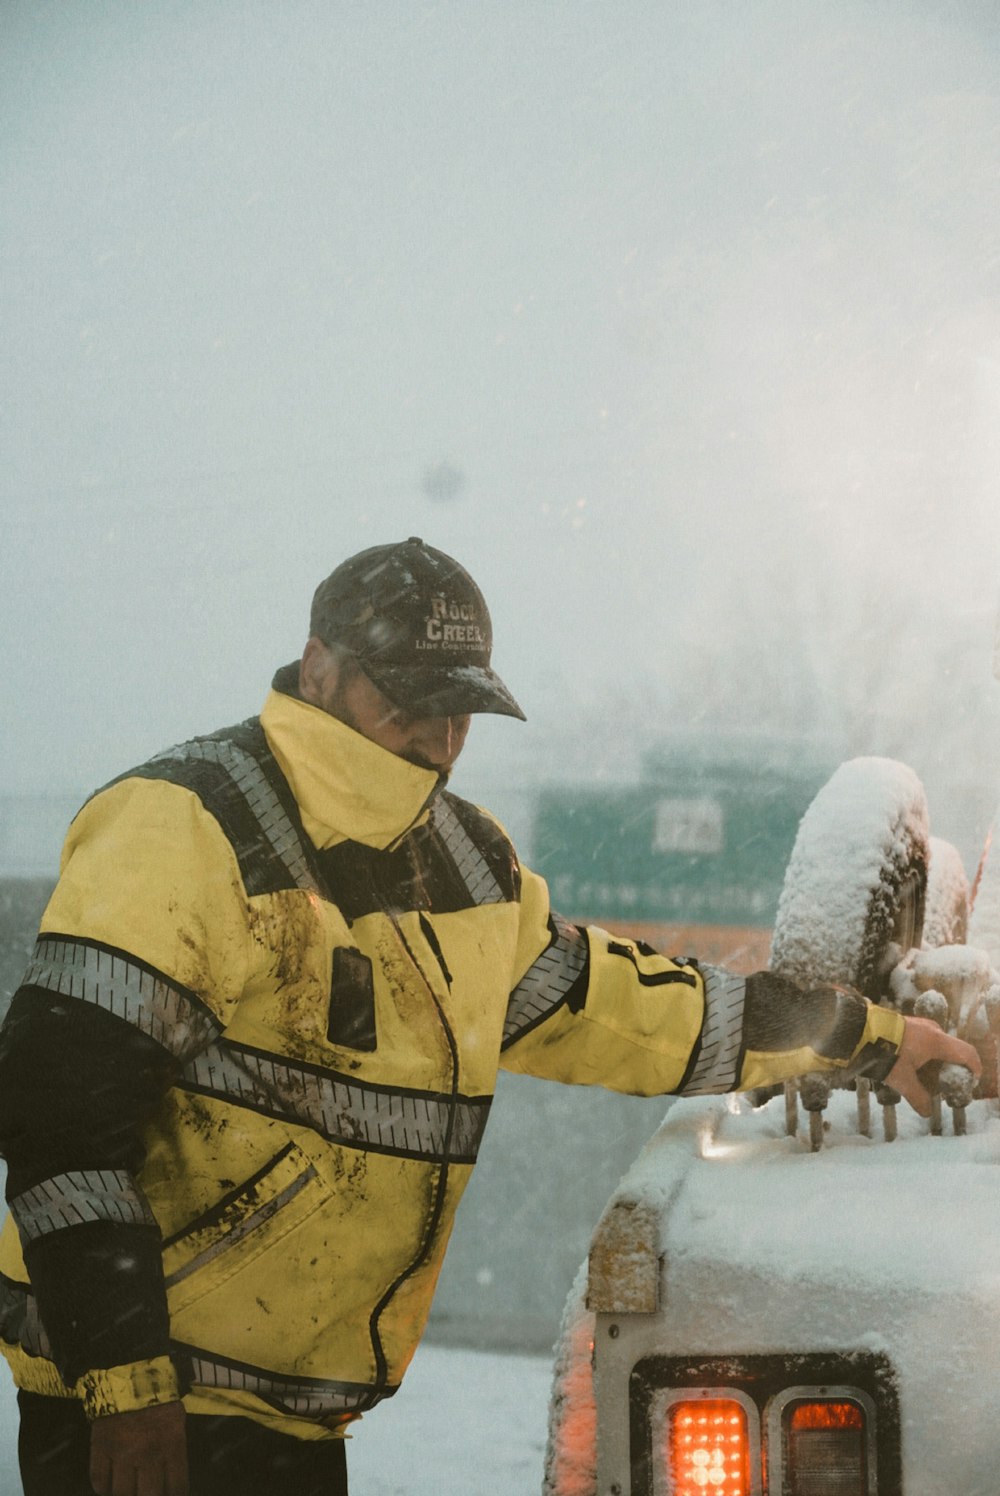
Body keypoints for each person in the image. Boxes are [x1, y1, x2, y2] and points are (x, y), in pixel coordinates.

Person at [0, 537, 977, 1496]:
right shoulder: (185, 825)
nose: (440, 731)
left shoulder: (467, 864)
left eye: (459, 703)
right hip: (143, 1410)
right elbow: (59, 1118)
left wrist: (863, 1037)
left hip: (292, 1417)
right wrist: (124, 1385)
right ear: (319, 668)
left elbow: (631, 1008)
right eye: (409, 698)